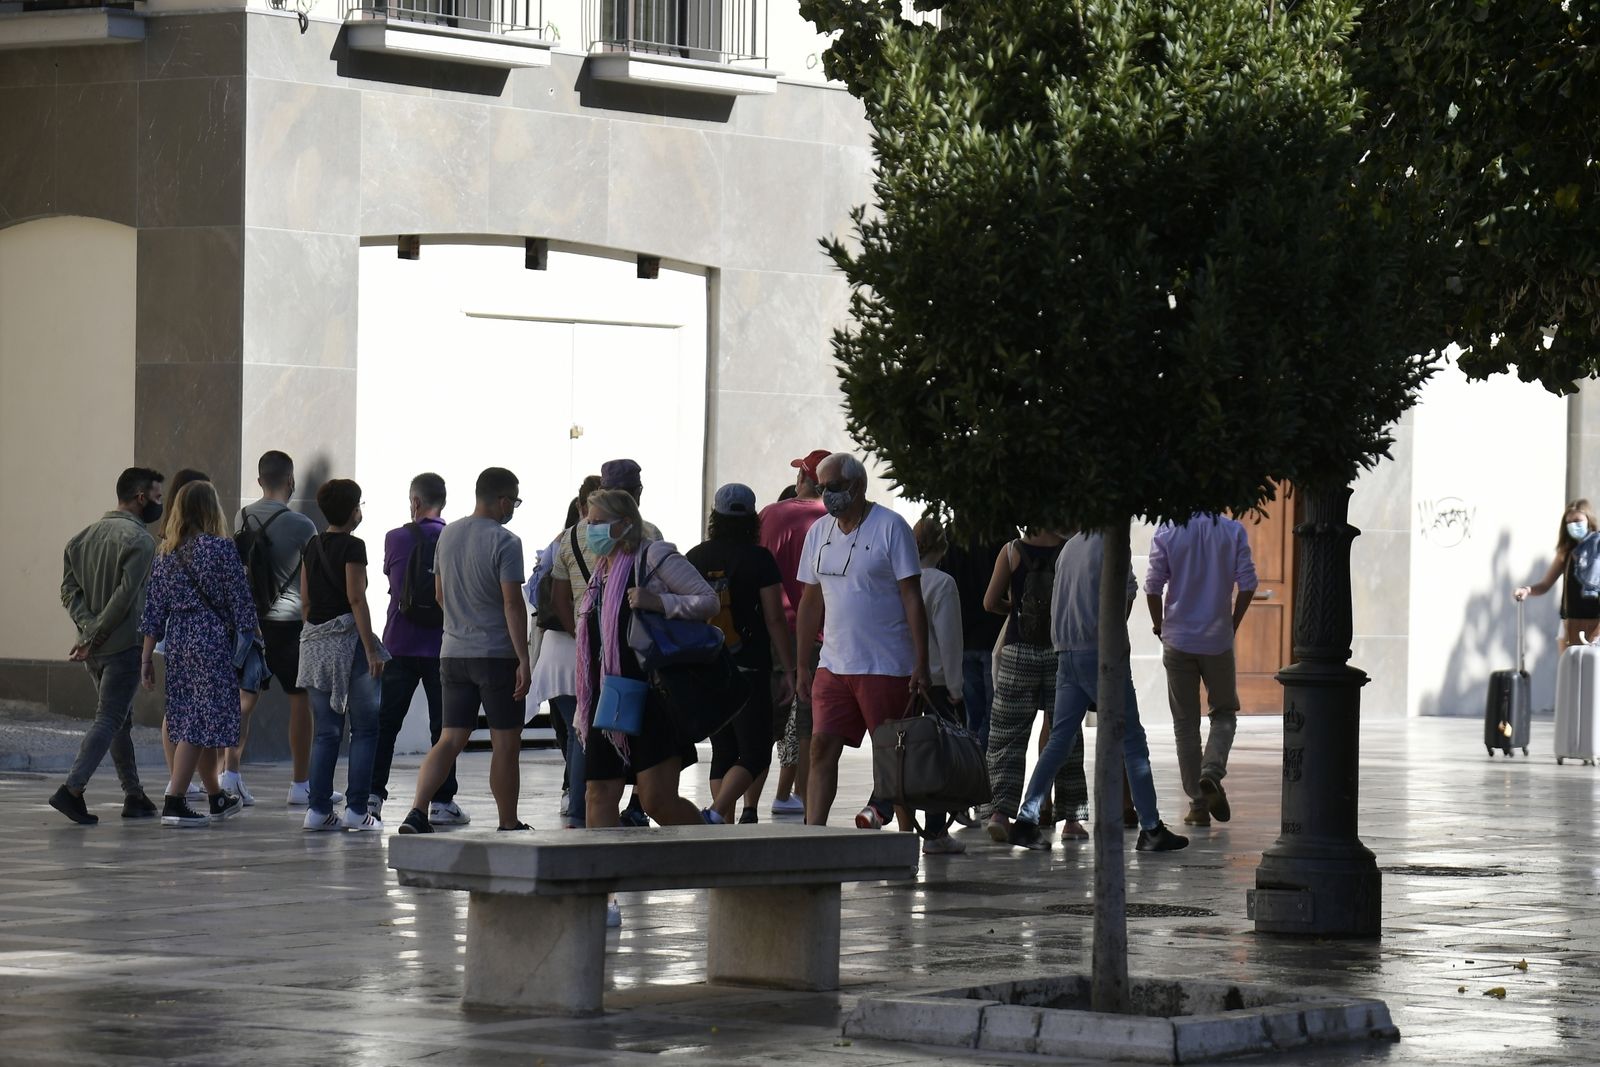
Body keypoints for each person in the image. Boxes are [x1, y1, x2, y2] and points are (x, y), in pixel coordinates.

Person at [1006, 531, 1188, 852]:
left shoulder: (1071, 547)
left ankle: (1026, 819)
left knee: (1060, 738)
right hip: (1098, 651)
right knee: (1131, 738)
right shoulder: (1111, 543)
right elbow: (1127, 593)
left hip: (1065, 650)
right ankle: (1151, 827)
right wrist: (1113, 635)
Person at [795, 453, 929, 827]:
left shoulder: (891, 527)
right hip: (833, 664)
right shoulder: (818, 532)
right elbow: (810, 599)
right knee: (821, 748)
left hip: (886, 665)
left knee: (892, 757)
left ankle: (908, 836)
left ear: (857, 486)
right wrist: (803, 663)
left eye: (834, 487)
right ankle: (812, 837)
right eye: (821, 488)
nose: (827, 495)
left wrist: (922, 661)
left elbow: (912, 596)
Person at [398, 467, 531, 834]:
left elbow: (439, 594)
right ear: (502, 499)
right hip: (497, 655)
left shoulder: (449, 534)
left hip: (452, 652)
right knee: (505, 743)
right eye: (514, 501)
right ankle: (507, 821)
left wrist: (460, 622)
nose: (514, 508)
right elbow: (512, 604)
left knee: (450, 738)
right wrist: (524, 657)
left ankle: (417, 811)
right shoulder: (507, 542)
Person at [576, 489, 717, 827]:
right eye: (588, 523)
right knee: (598, 793)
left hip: (655, 695)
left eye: (598, 523)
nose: (590, 531)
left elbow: (708, 601)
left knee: (657, 800)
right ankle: (602, 878)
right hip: (610, 697)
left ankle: (713, 855)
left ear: (625, 523)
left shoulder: (653, 557)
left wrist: (659, 602)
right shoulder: (600, 573)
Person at [49, 467, 165, 825]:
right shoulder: (142, 542)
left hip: (94, 649)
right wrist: (96, 632)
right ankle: (72, 790)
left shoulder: (80, 539)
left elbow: (69, 592)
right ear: (140, 497)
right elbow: (126, 597)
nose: (161, 504)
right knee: (110, 718)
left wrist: (86, 631)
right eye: (158, 497)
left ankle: (133, 794)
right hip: (123, 644)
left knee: (120, 720)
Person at [138, 481, 253, 828]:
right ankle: (175, 799)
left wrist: (145, 660)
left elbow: (153, 612)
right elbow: (241, 605)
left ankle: (216, 796)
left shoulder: (165, 553)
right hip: (212, 639)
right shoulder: (220, 549)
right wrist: (253, 639)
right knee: (199, 720)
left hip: (178, 641)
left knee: (191, 713)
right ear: (209, 509)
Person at [553, 465, 658, 827]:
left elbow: (558, 596)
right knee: (607, 751)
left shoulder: (570, 537)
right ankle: (626, 807)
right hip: (609, 666)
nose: (592, 528)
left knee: (581, 734)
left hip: (608, 664)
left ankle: (584, 805)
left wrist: (580, 633)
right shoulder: (648, 535)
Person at [855, 517, 968, 854]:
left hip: (896, 674)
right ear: (942, 547)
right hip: (933, 681)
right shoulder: (942, 584)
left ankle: (878, 806)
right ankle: (934, 832)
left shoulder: (895, 580)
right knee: (935, 757)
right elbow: (949, 640)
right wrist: (956, 687)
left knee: (901, 750)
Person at [686, 484, 795, 824]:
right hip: (750, 666)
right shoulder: (759, 558)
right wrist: (790, 668)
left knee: (724, 750)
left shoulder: (696, 556)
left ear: (715, 516)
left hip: (707, 666)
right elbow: (775, 618)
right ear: (751, 517)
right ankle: (717, 813)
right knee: (756, 751)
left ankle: (723, 825)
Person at [1145, 513, 1257, 827]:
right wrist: (1232, 624)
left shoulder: (1167, 529)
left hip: (1178, 639)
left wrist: (1160, 626)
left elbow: (1152, 586)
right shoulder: (1233, 531)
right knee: (1223, 713)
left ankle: (1197, 804)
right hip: (1217, 641)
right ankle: (1211, 772)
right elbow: (1248, 583)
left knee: (1185, 725)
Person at [980, 528, 1088, 843]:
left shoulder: (1011, 551)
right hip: (1060, 651)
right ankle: (1071, 819)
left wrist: (1014, 610)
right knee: (1067, 735)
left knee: (1006, 736)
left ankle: (1000, 813)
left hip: (1017, 651)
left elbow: (989, 602)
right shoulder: (1070, 551)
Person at [369, 473, 465, 825]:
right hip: (443, 645)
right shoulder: (454, 537)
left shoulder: (394, 538)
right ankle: (442, 801)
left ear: (414, 502)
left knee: (386, 724)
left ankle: (372, 797)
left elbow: (391, 579)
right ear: (443, 501)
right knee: (445, 727)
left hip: (399, 643)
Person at [296, 479, 388, 832]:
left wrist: (318, 633)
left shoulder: (311, 545)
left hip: (314, 644)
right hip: (349, 644)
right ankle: (355, 810)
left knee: (326, 732)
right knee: (364, 730)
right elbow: (356, 598)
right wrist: (369, 648)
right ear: (354, 512)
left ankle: (317, 811)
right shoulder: (354, 546)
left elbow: (305, 602)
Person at [234, 450, 318, 806]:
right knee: (301, 700)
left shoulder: (242, 516)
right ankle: (300, 784)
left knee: (243, 700)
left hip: (251, 624)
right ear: (291, 481)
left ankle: (230, 774)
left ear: (258, 481)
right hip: (289, 625)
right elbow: (310, 580)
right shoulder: (303, 526)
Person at [756, 448, 831, 816]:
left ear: (802, 480)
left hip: (774, 628)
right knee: (808, 719)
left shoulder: (771, 514)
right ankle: (802, 793)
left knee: (764, 715)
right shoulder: (835, 521)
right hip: (819, 633)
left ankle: (750, 800)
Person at [530, 473, 602, 826]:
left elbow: (536, 595)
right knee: (582, 734)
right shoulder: (619, 542)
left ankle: (576, 803)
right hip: (582, 651)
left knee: (575, 733)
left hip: (557, 650)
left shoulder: (560, 542)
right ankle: (579, 807)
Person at [156, 468, 211, 794]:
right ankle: (184, 779)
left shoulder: (169, 534)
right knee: (191, 707)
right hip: (193, 630)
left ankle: (179, 776)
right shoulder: (203, 542)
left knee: (177, 705)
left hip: (172, 630)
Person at [939, 538, 1006, 748]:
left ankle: (974, 766)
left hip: (964, 638)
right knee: (993, 713)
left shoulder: (953, 536)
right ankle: (985, 769)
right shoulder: (1001, 537)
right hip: (994, 636)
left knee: (973, 715)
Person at [1516, 499, 1600, 652]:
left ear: (1589, 520)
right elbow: (1545, 585)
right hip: (1569, 622)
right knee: (1567, 673)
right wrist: (1527, 590)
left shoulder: (1597, 549)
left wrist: (1597, 632)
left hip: (1595, 622)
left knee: (1593, 673)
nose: (1573, 525)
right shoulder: (1566, 552)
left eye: (1577, 520)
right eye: (1569, 522)